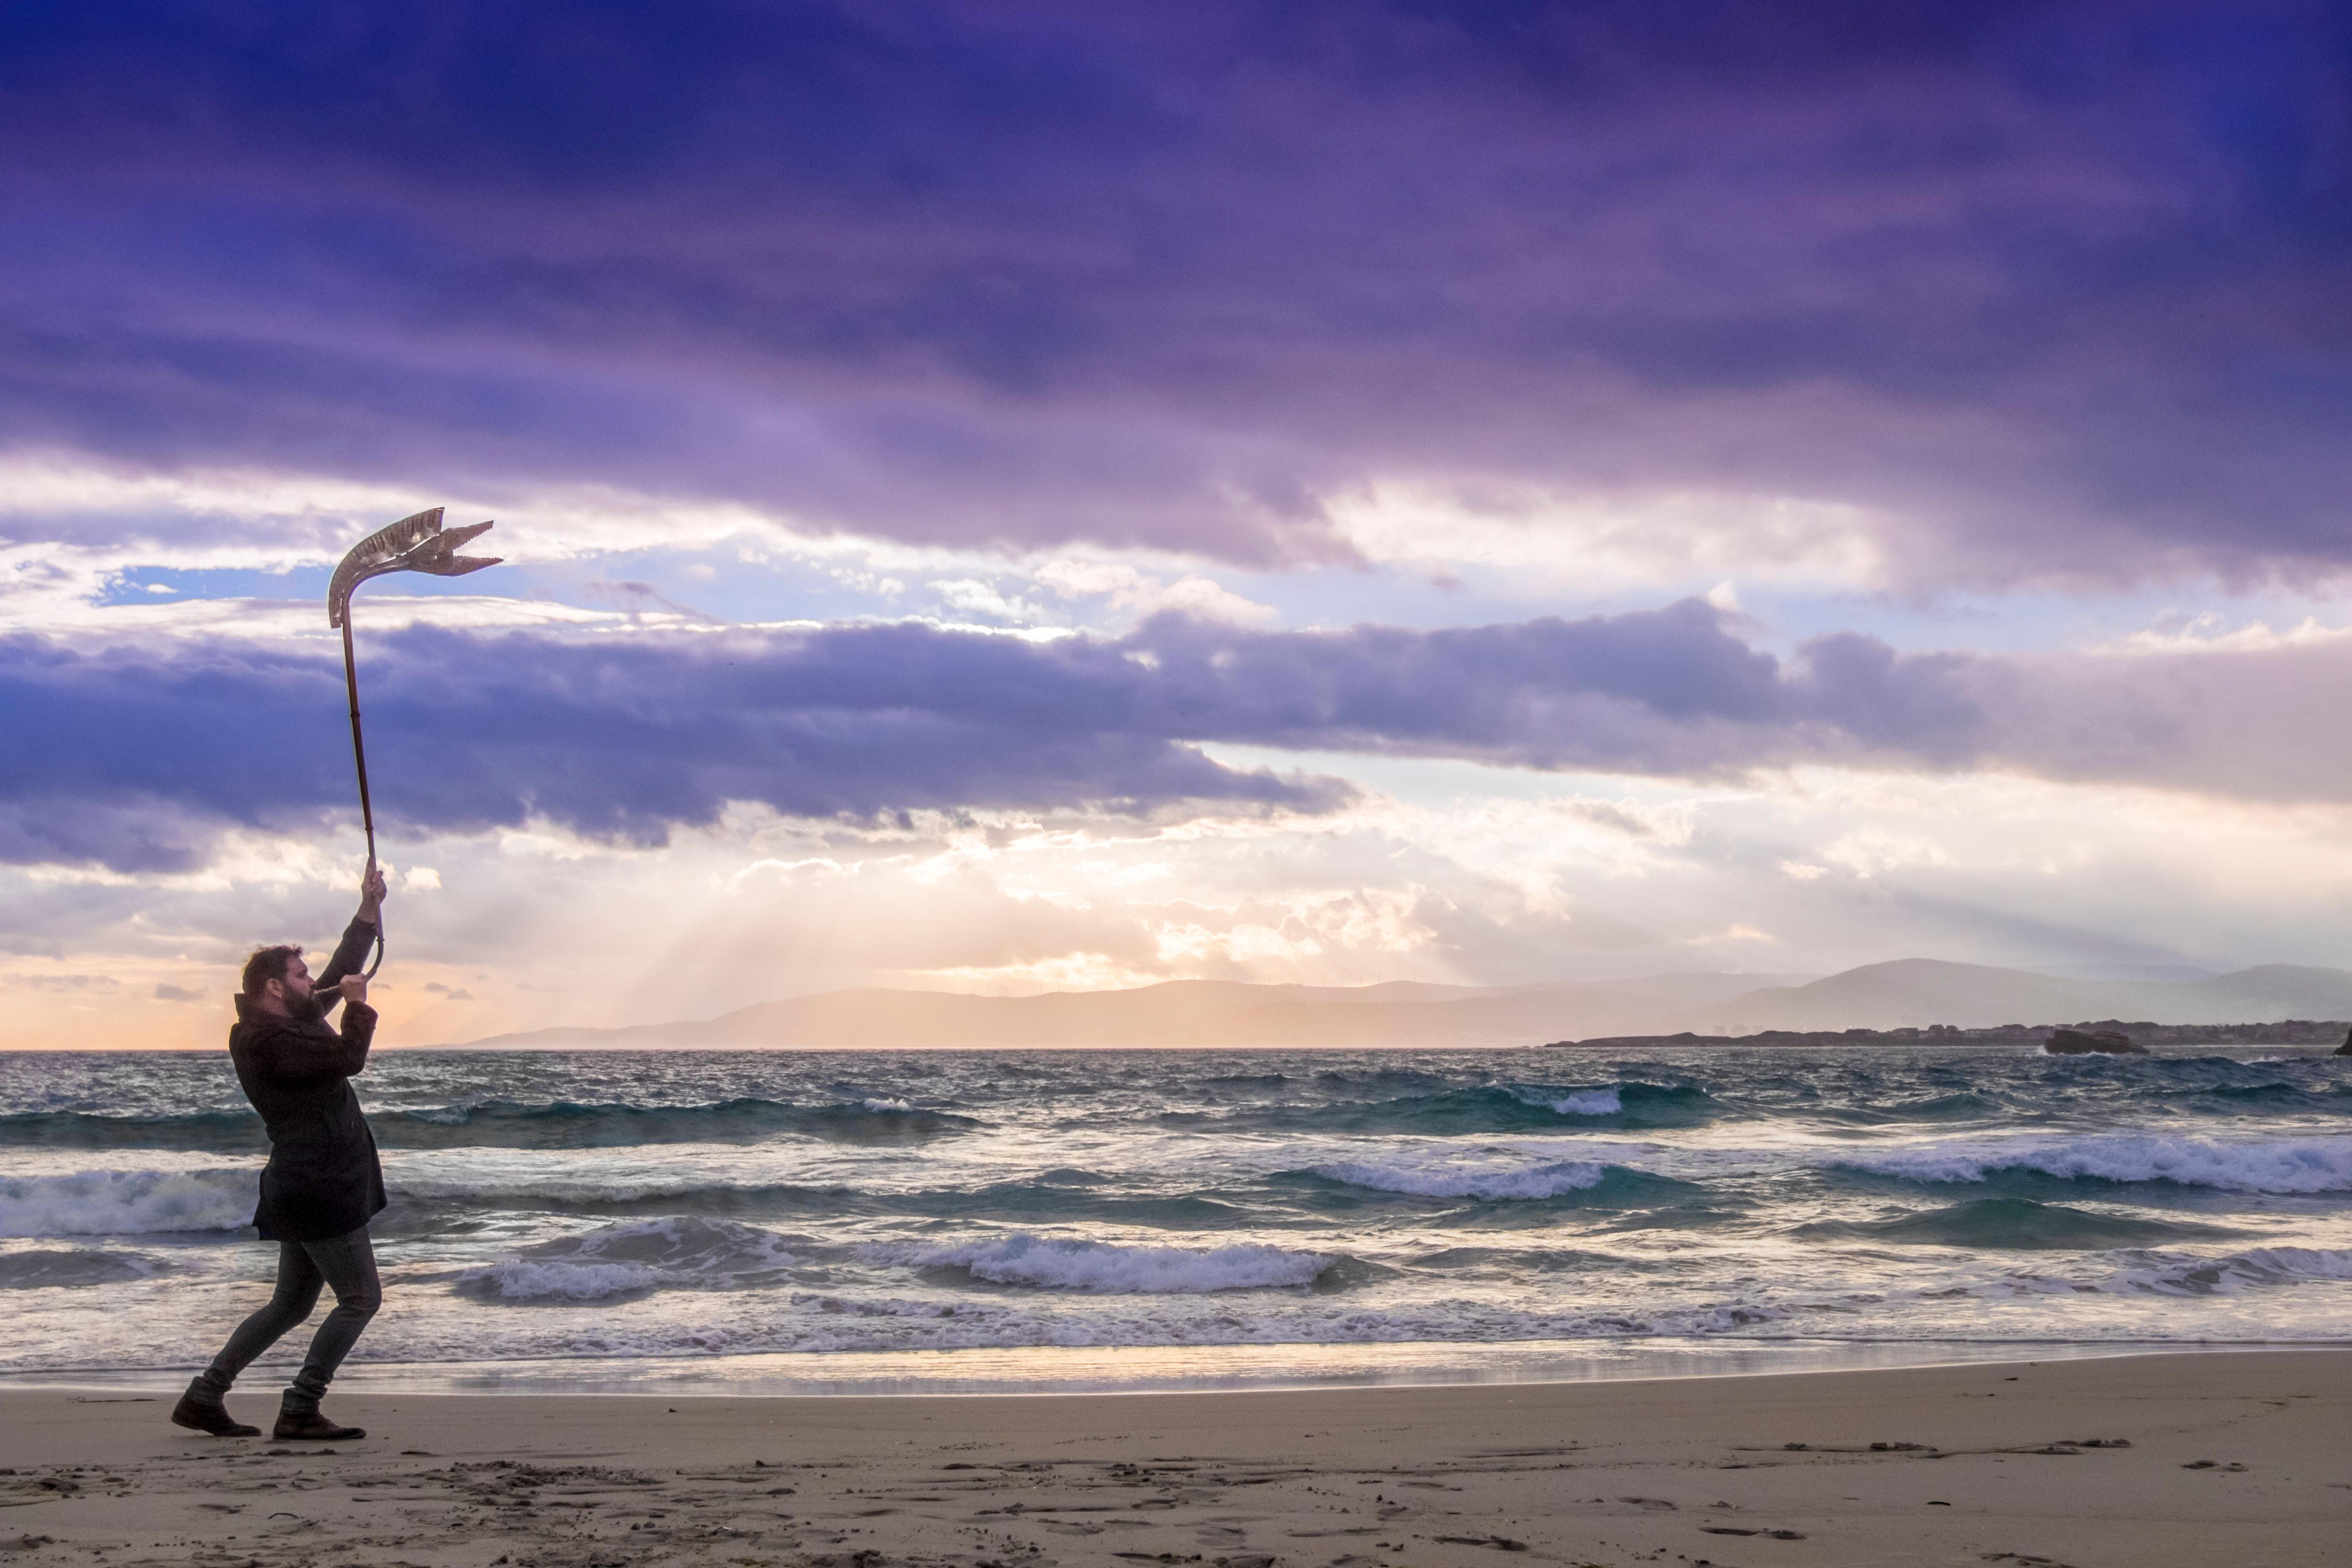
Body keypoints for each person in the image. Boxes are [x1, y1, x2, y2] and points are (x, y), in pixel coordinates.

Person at [171, 864, 391, 1441]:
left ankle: (204, 1396)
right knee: (361, 1298)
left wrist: (368, 910)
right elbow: (348, 1058)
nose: (311, 980)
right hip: (318, 1187)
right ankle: (300, 1405)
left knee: (289, 1306)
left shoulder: (287, 1021)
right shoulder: (267, 1043)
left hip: (306, 1185)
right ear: (274, 987)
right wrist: (358, 1006)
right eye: (300, 975)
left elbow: (343, 966)